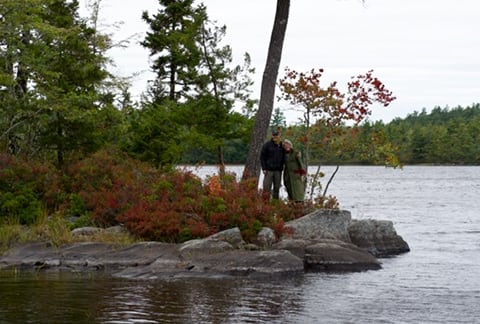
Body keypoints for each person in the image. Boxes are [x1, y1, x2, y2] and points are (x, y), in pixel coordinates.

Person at [260, 129, 285, 199]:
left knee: (277, 188)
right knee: (266, 188)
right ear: (272, 135)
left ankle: (275, 204)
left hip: (278, 171)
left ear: (279, 136)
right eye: (274, 135)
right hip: (268, 170)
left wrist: (297, 154)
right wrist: (264, 168)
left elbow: (288, 152)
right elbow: (262, 157)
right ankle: (265, 205)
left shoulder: (281, 146)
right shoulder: (267, 145)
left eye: (276, 135)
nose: (275, 136)